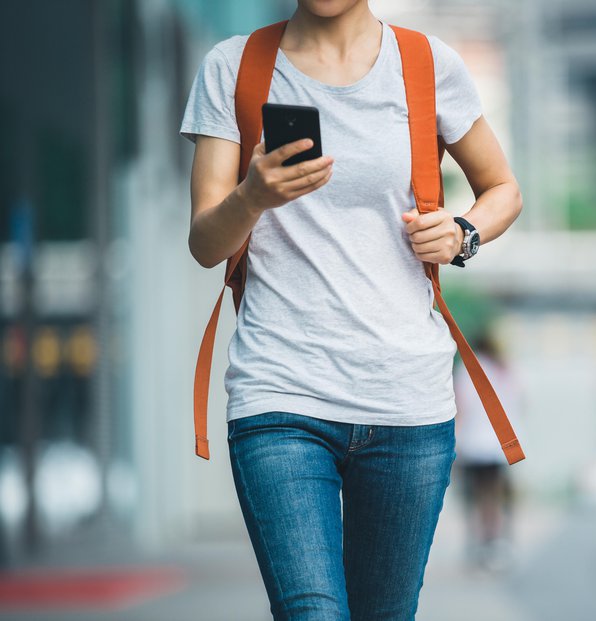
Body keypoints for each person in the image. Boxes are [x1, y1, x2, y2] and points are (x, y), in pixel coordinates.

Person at [178, 1, 522, 619]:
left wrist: (462, 232)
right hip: (281, 395)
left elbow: (503, 189)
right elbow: (206, 242)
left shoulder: (427, 64)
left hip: (407, 404)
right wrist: (252, 195)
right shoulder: (233, 66)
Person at [453, 331, 523, 571]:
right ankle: (498, 542)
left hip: (475, 445)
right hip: (502, 445)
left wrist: (453, 442)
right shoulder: (505, 368)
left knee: (476, 497)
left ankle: (481, 545)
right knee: (497, 495)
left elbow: (462, 406)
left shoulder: (470, 367)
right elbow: (522, 401)